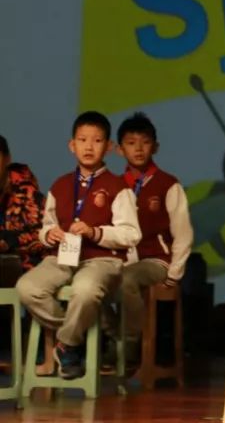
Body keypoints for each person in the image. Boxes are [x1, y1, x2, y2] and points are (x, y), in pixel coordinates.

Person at [16, 111, 140, 378]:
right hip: (61, 257)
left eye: (97, 140)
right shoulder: (60, 185)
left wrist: (95, 232)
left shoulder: (118, 187)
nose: (89, 146)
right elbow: (46, 225)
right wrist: (49, 235)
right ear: (72, 145)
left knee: (85, 290)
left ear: (108, 147)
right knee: (27, 288)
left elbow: (131, 234)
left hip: (102, 260)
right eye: (82, 140)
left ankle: (67, 344)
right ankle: (77, 333)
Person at [106, 112, 193, 368]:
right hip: (121, 260)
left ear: (155, 147)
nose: (138, 149)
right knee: (90, 284)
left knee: (127, 279)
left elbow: (183, 233)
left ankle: (129, 346)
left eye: (145, 142)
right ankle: (115, 338)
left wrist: (174, 274)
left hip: (156, 260)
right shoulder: (113, 185)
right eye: (131, 143)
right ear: (120, 149)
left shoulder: (168, 184)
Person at [0, 133, 45, 284]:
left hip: (23, 263)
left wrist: (8, 241)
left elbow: (42, 234)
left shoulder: (27, 190)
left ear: (7, 159)